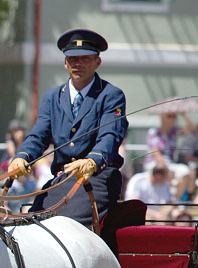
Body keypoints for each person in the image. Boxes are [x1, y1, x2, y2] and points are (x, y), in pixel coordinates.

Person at [8, 28, 128, 227]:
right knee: (29, 224)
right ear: (65, 63)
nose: (78, 64)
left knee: (66, 226)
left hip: (96, 180)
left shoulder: (111, 95)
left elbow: (110, 136)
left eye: (85, 58)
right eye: (72, 59)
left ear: (97, 62)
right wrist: (22, 156)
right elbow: (39, 135)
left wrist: (92, 161)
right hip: (61, 180)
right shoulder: (51, 98)